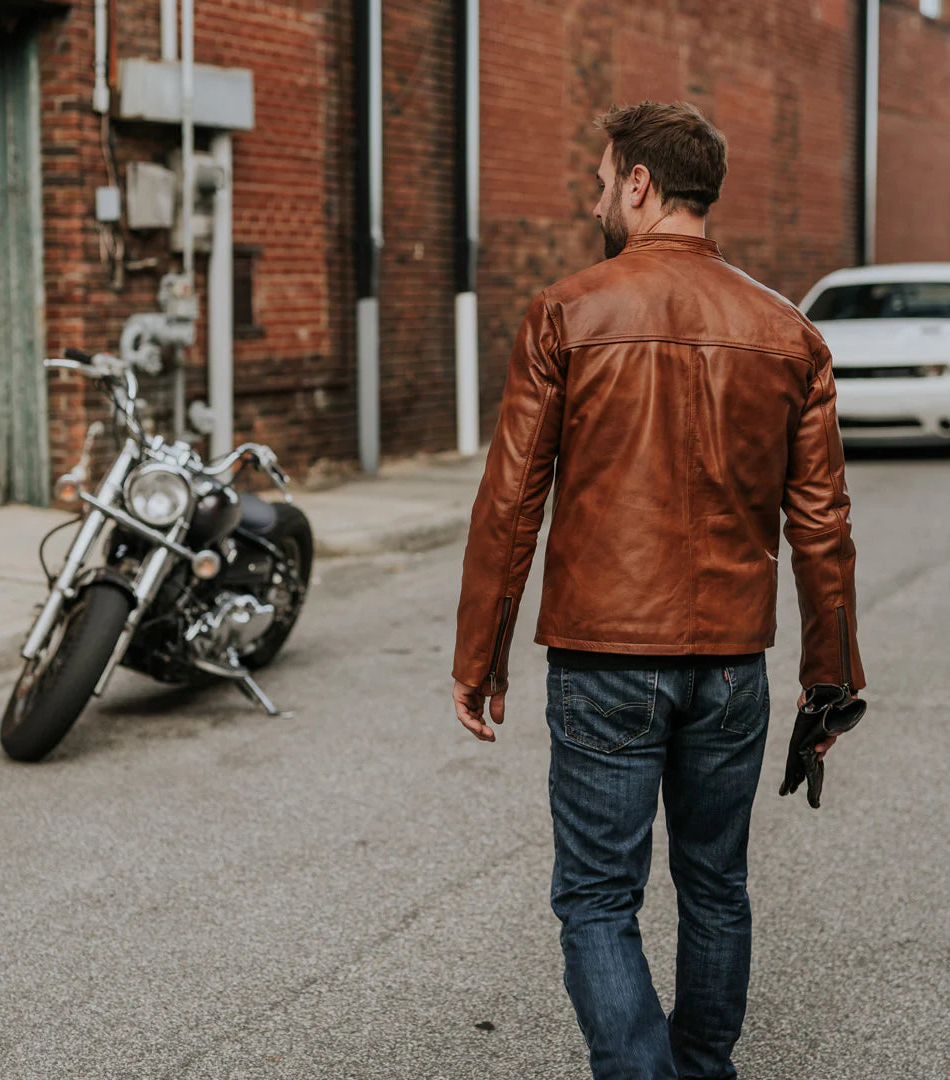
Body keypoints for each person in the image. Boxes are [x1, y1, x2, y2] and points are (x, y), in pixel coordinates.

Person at [450, 101, 865, 1080]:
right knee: (717, 886)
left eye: (602, 180)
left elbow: (512, 501)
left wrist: (480, 657)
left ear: (638, 184)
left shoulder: (568, 311)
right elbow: (823, 526)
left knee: (598, 897)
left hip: (603, 662)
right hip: (730, 669)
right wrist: (830, 679)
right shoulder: (788, 333)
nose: (598, 197)